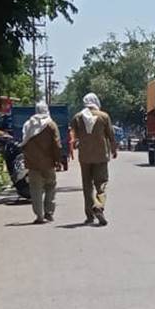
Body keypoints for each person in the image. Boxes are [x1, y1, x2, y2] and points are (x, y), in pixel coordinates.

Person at [70, 93, 117, 226]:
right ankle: (99, 205)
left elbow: (74, 134)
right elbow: (111, 135)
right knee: (101, 184)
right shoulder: (103, 116)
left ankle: (89, 216)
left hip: (84, 156)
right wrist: (113, 149)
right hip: (101, 155)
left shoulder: (78, 117)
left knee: (87, 186)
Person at [20, 101, 61, 224]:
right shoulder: (51, 125)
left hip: (32, 163)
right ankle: (49, 211)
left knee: (35, 189)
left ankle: (39, 215)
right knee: (50, 186)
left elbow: (23, 142)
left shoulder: (28, 124)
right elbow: (57, 145)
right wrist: (58, 160)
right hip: (48, 163)